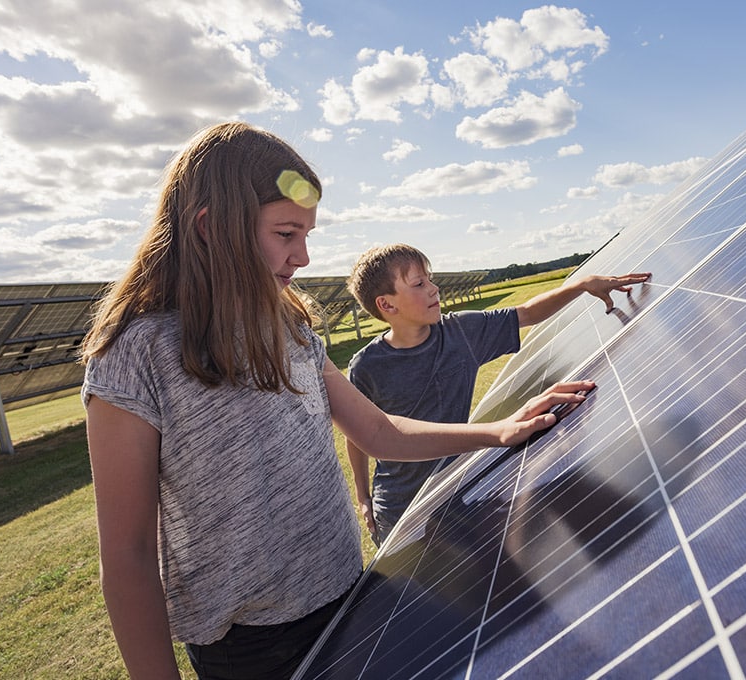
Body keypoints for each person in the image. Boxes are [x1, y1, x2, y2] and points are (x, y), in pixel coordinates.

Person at [80, 121, 592, 680]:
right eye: (285, 234)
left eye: (307, 235)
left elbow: (377, 432)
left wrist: (497, 432)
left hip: (349, 597)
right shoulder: (133, 355)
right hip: (252, 647)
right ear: (210, 227)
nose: (302, 256)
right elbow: (128, 555)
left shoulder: (290, 328)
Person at [345, 243, 649, 545]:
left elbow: (528, 312)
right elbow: (357, 433)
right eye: (419, 283)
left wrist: (581, 286)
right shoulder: (367, 366)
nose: (434, 289)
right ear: (387, 305)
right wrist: (362, 495)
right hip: (400, 515)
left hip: (455, 495)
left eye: (431, 279)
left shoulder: (462, 333)